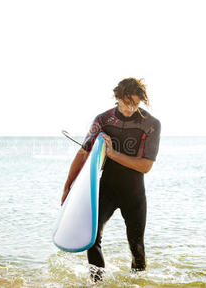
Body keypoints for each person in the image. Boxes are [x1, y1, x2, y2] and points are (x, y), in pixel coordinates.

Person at [61, 77, 161, 282]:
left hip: (134, 194)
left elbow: (146, 166)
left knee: (136, 246)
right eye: (126, 103)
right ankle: (96, 283)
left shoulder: (151, 124)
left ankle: (138, 283)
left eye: (135, 103)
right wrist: (68, 185)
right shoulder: (103, 120)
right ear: (117, 98)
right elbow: (83, 153)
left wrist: (113, 154)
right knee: (92, 238)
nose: (130, 108)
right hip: (106, 189)